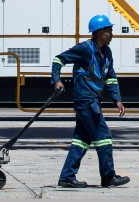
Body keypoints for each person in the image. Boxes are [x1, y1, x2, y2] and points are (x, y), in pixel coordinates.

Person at [51, 14, 130, 189]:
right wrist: (56, 80)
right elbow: (58, 60)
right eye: (109, 30)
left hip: (94, 99)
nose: (112, 33)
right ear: (99, 32)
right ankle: (108, 177)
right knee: (104, 137)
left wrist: (117, 99)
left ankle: (67, 177)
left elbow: (111, 77)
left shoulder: (106, 52)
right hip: (85, 100)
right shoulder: (84, 49)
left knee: (81, 139)